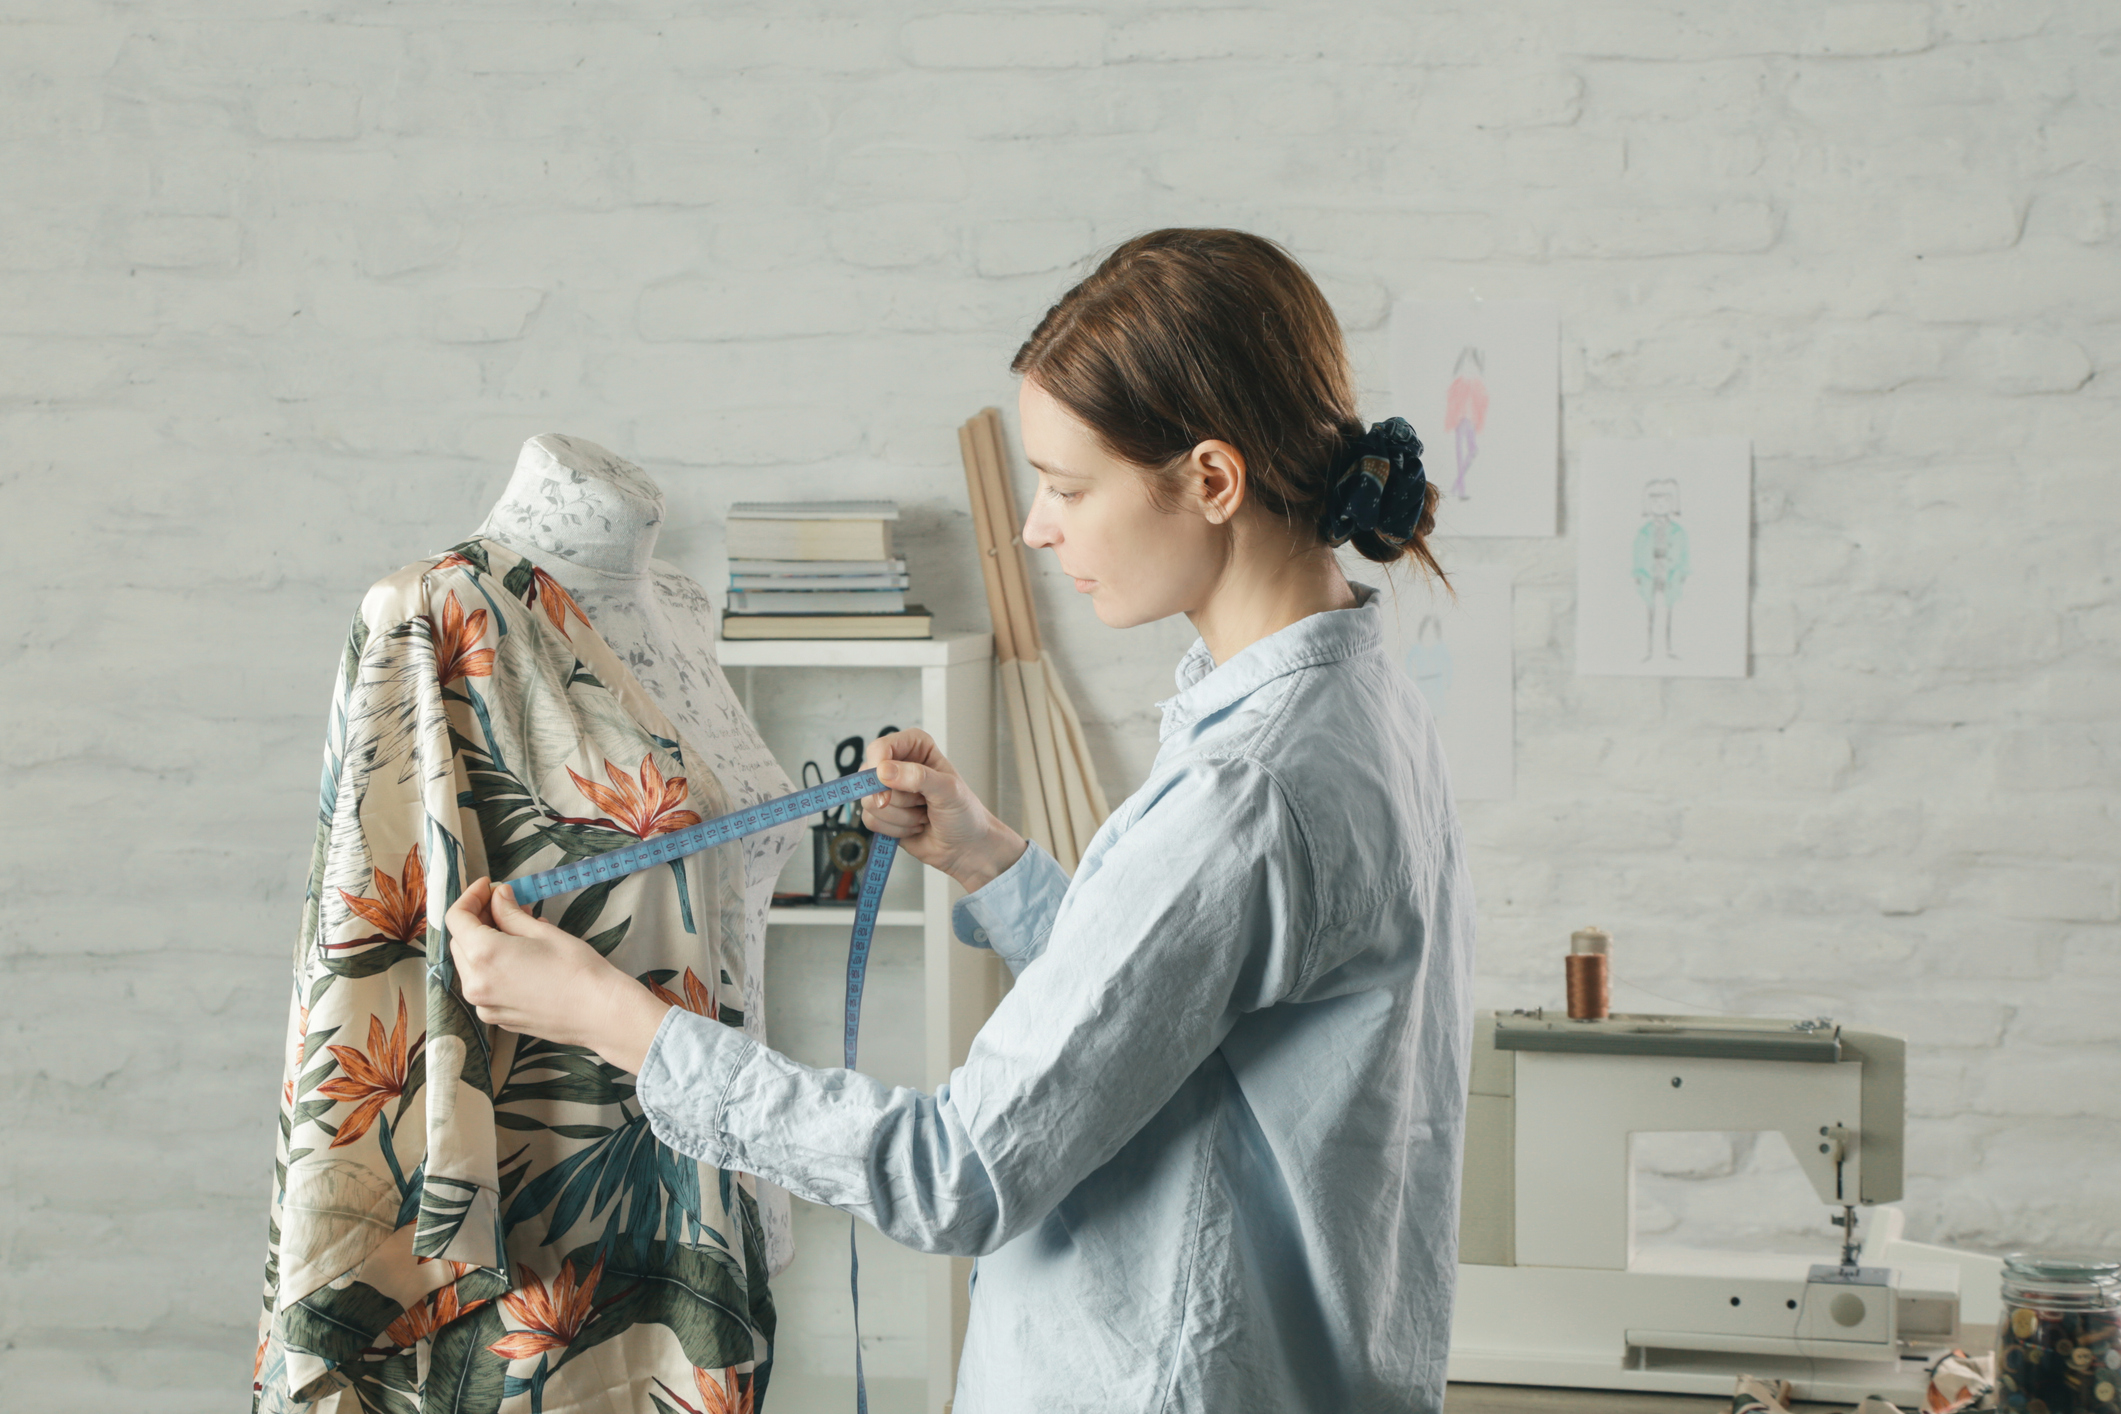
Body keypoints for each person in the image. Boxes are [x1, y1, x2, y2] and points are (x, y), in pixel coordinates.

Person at [448, 228, 1476, 1413]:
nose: (1037, 527)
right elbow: (1178, 1006)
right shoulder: (1358, 704)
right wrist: (990, 861)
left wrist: (618, 1024)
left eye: (1071, 486)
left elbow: (957, 1171)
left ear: (1211, 480)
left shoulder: (1245, 787)